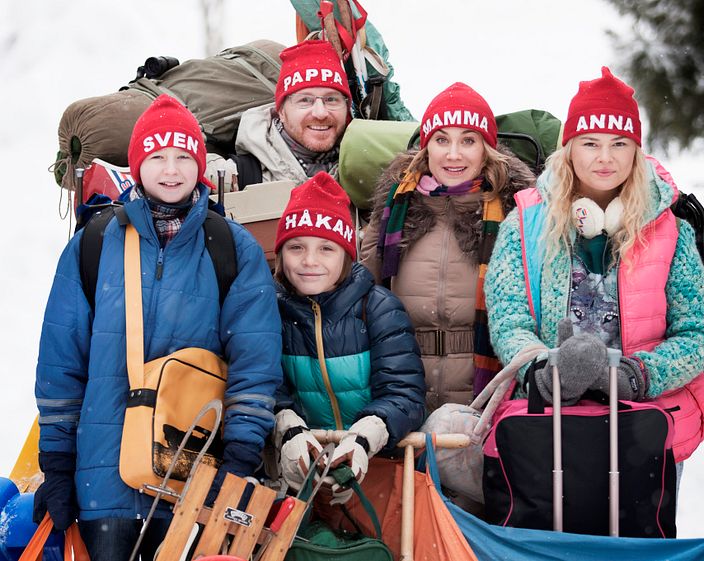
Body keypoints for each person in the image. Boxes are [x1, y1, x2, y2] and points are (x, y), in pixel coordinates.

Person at [33, 94, 283, 560]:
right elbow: (61, 363)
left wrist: (240, 457)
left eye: (184, 157)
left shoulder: (231, 247)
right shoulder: (93, 244)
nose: (171, 170)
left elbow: (256, 361)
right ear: (137, 164)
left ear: (200, 164)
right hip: (102, 481)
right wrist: (58, 466)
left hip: (194, 482)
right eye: (158, 157)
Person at [484, 67, 704, 470]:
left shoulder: (670, 231)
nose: (605, 158)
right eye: (591, 143)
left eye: (619, 143)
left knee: (637, 533)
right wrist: (539, 368)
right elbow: (509, 318)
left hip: (642, 430)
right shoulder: (524, 223)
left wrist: (639, 374)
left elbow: (698, 334)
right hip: (549, 425)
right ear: (569, 148)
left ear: (636, 152)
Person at [360, 82, 535, 411]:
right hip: (402, 393)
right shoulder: (393, 209)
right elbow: (362, 299)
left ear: (486, 148)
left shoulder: (517, 213)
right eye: (441, 139)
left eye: (468, 140)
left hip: (488, 399)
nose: (453, 154)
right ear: (427, 147)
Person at [270, 171, 426, 504]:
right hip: (301, 470)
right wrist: (288, 428)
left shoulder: (378, 308)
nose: (309, 261)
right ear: (281, 253)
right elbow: (265, 386)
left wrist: (364, 439)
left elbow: (405, 393)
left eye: (326, 248)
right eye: (296, 247)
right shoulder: (270, 310)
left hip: (377, 464)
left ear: (345, 254)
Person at [224, 40, 351, 188]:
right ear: (281, 112)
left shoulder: (367, 173)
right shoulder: (236, 177)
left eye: (331, 99)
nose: (320, 113)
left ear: (346, 107)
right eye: (305, 100)